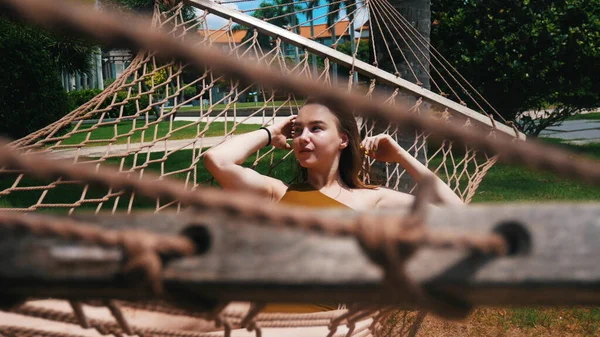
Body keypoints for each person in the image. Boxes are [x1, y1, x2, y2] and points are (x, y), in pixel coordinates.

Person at [204, 99, 463, 211]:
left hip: (325, 323)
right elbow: (217, 160)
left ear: (343, 139)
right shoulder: (278, 193)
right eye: (298, 130)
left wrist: (401, 156)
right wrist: (272, 132)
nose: (303, 137)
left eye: (316, 128)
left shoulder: (372, 200)